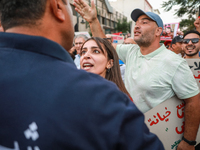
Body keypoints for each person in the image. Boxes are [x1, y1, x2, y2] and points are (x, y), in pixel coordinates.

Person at [0, 0, 164, 149]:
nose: (86, 55)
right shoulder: (101, 100)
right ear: (57, 7)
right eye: (84, 51)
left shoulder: (107, 98)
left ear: (110, 62)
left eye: (95, 51)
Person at [73, 0, 200, 149]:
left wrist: (189, 141)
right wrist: (93, 20)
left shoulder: (174, 62)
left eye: (145, 22)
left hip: (164, 139)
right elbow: (104, 48)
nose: (137, 25)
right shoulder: (131, 51)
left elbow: (193, 101)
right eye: (137, 22)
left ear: (158, 31)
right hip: (134, 136)